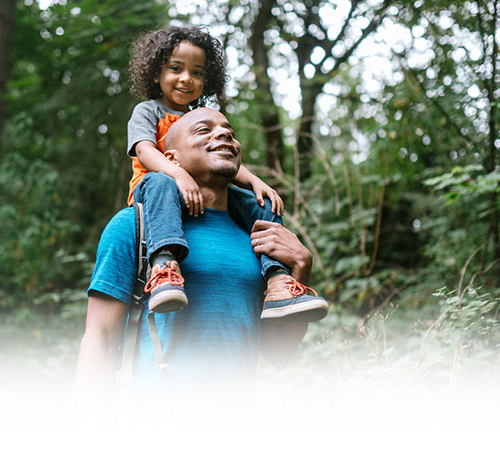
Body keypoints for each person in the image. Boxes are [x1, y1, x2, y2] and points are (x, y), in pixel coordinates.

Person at [77, 108, 324, 413]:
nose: (224, 134)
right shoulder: (134, 226)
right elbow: (99, 338)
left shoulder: (262, 237)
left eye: (229, 131)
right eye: (203, 130)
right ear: (172, 159)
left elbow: (279, 354)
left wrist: (301, 267)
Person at [126, 25, 328, 321]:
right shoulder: (148, 111)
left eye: (197, 73)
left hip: (203, 194)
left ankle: (278, 281)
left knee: (262, 203)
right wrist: (177, 174)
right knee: (159, 181)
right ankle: (165, 266)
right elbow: (144, 151)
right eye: (176, 69)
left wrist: (256, 182)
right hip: (158, 194)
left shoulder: (202, 115)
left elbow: (223, 160)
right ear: (156, 73)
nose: (186, 79)